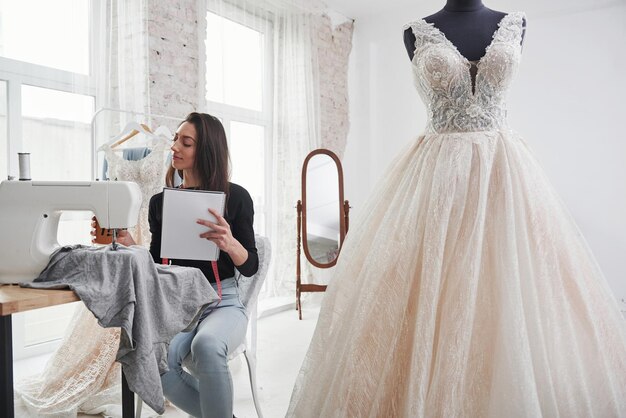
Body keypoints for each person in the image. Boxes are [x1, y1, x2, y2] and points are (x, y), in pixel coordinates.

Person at [287, 2, 626, 417]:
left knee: (514, 293)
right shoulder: (416, 31)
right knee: (426, 292)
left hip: (504, 176)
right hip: (436, 179)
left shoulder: (516, 24)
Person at [116, 112, 258, 418]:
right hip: (179, 304)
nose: (174, 147)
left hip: (224, 303)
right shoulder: (160, 203)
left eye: (186, 142)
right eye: (175, 139)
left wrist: (231, 244)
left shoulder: (236, 198)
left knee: (207, 346)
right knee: (154, 361)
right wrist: (130, 245)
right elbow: (156, 264)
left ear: (206, 150)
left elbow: (250, 267)